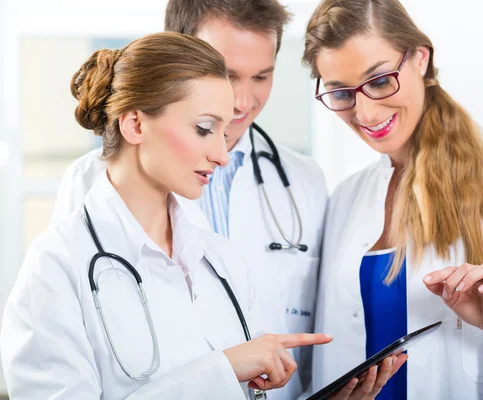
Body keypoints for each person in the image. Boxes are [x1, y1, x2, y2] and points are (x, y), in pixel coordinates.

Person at [0, 32, 333, 399]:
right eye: (204, 129)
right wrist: (222, 370)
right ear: (135, 124)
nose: (222, 154)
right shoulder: (55, 267)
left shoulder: (220, 261)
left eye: (224, 131)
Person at [302, 0, 483, 398]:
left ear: (420, 59)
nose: (367, 113)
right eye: (341, 93)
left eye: (379, 81)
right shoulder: (344, 200)